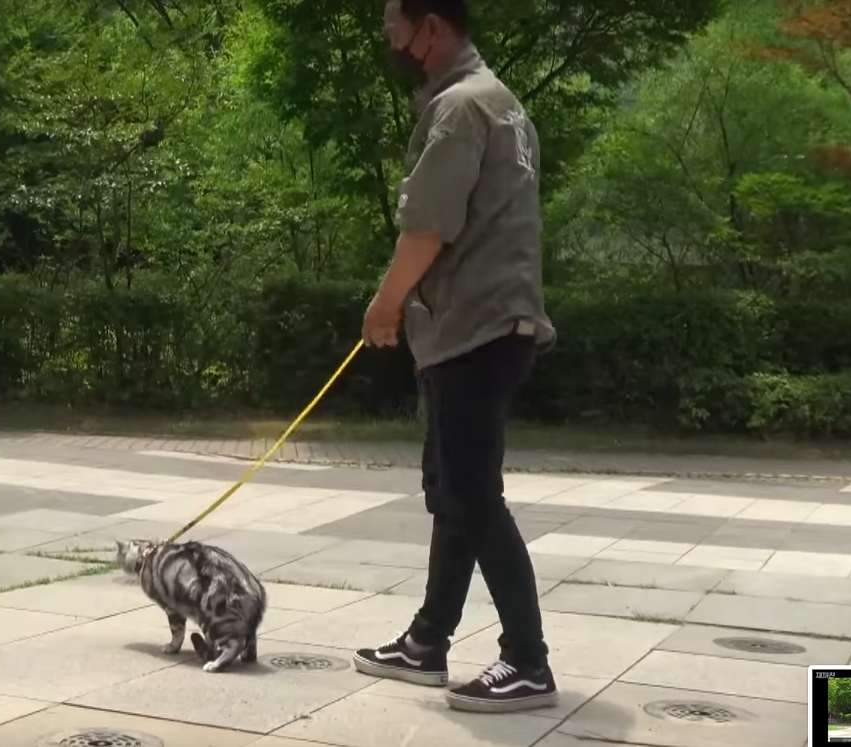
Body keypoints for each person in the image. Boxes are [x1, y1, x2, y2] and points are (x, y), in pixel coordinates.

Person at [352, 0, 558, 714]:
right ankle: (427, 641)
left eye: (396, 33)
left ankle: (527, 660)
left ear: (430, 28)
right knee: (453, 491)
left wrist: (385, 307)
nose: (394, 47)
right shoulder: (502, 105)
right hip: (476, 328)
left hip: (478, 328)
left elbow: (427, 230)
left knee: (473, 494)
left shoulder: (461, 109)